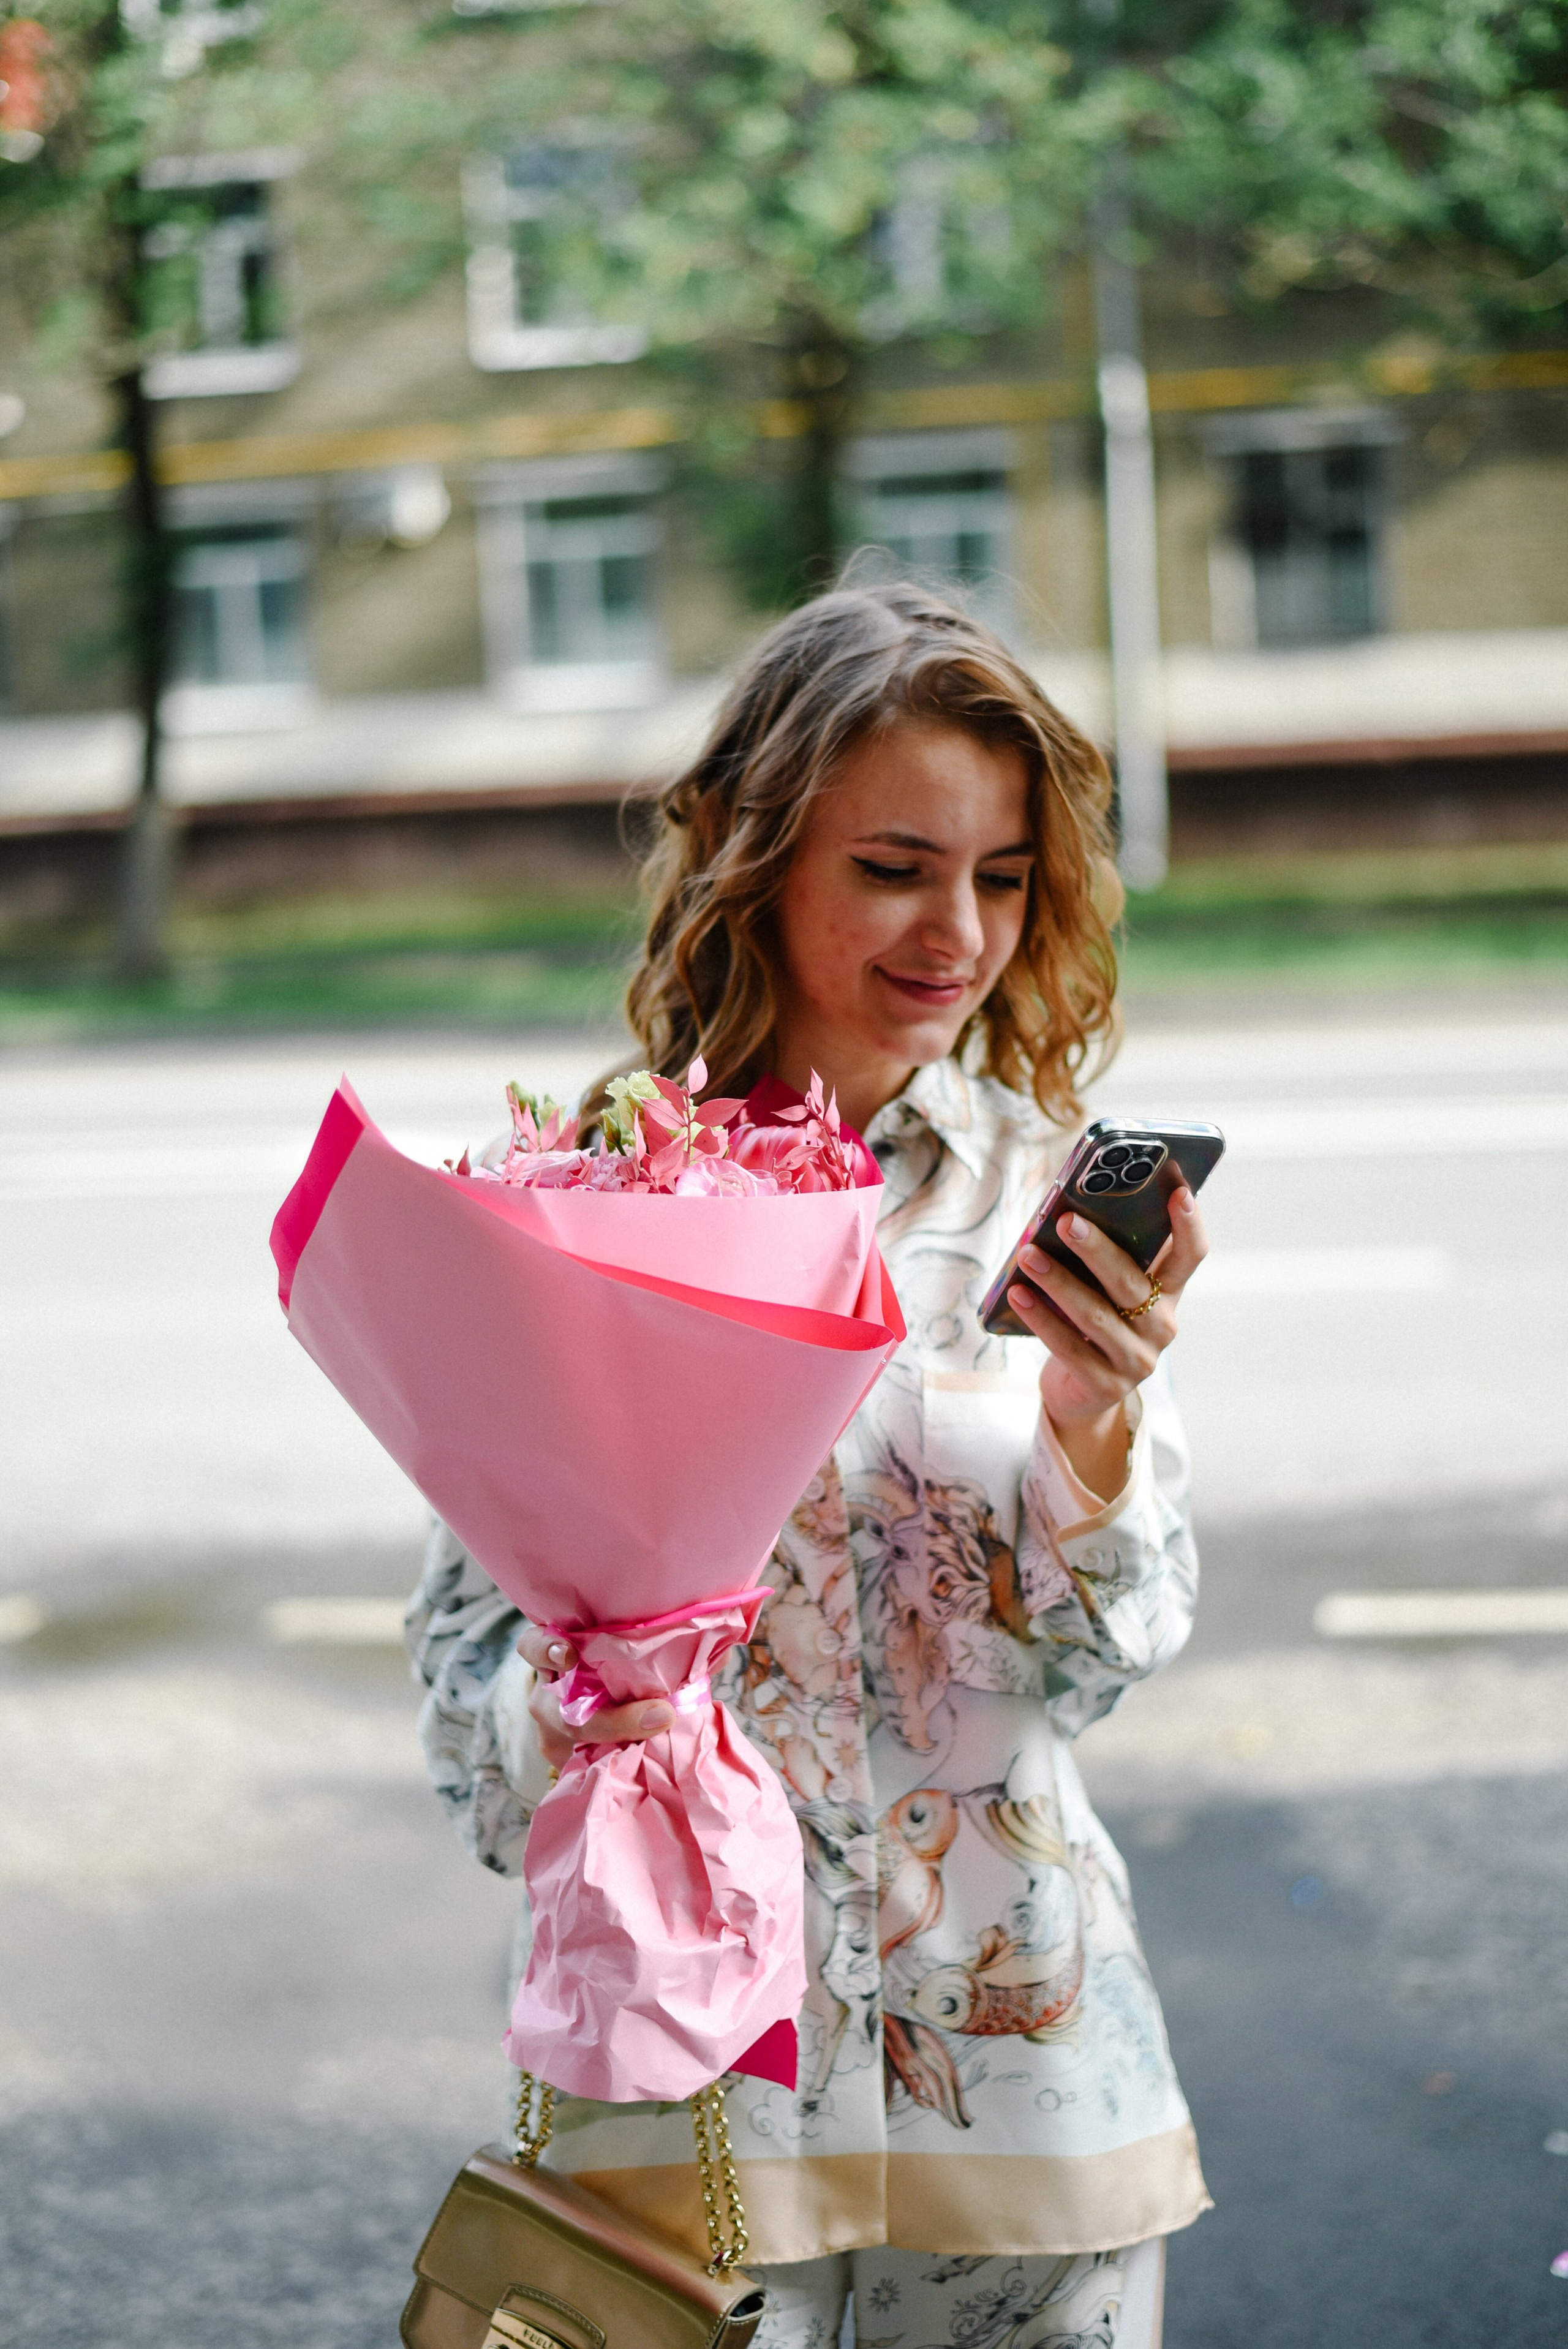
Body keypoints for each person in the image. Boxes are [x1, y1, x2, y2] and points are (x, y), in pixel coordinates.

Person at [407, 581, 1212, 2349]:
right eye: (895, 864)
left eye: (1003, 876)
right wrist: (581, 1714)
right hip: (686, 2087)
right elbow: (467, 1702)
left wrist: (1095, 1414)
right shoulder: (569, 1195)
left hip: (1021, 2075)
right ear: (750, 853)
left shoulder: (1042, 1192)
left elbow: (1103, 1661)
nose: (960, 931)